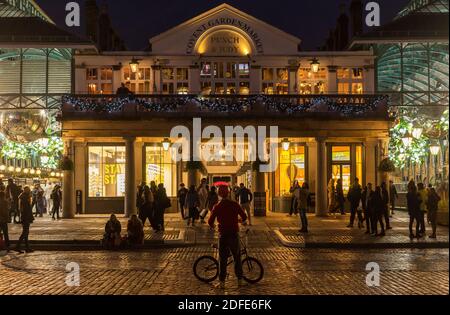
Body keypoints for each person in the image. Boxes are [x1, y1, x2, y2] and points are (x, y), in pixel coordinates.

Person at [208, 185, 248, 289]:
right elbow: (244, 217)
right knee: (237, 257)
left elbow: (210, 221)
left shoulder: (217, 206)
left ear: (219, 194)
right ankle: (240, 280)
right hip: (234, 234)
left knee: (223, 259)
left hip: (223, 235)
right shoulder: (234, 204)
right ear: (229, 193)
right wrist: (238, 220)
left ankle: (222, 283)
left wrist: (213, 226)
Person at [15, 186, 34, 253]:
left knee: (26, 232)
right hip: (25, 217)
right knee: (25, 232)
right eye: (28, 190)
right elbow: (26, 208)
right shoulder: (24, 197)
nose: (29, 191)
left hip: (25, 216)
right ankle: (17, 246)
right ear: (25, 190)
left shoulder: (23, 196)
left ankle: (27, 247)